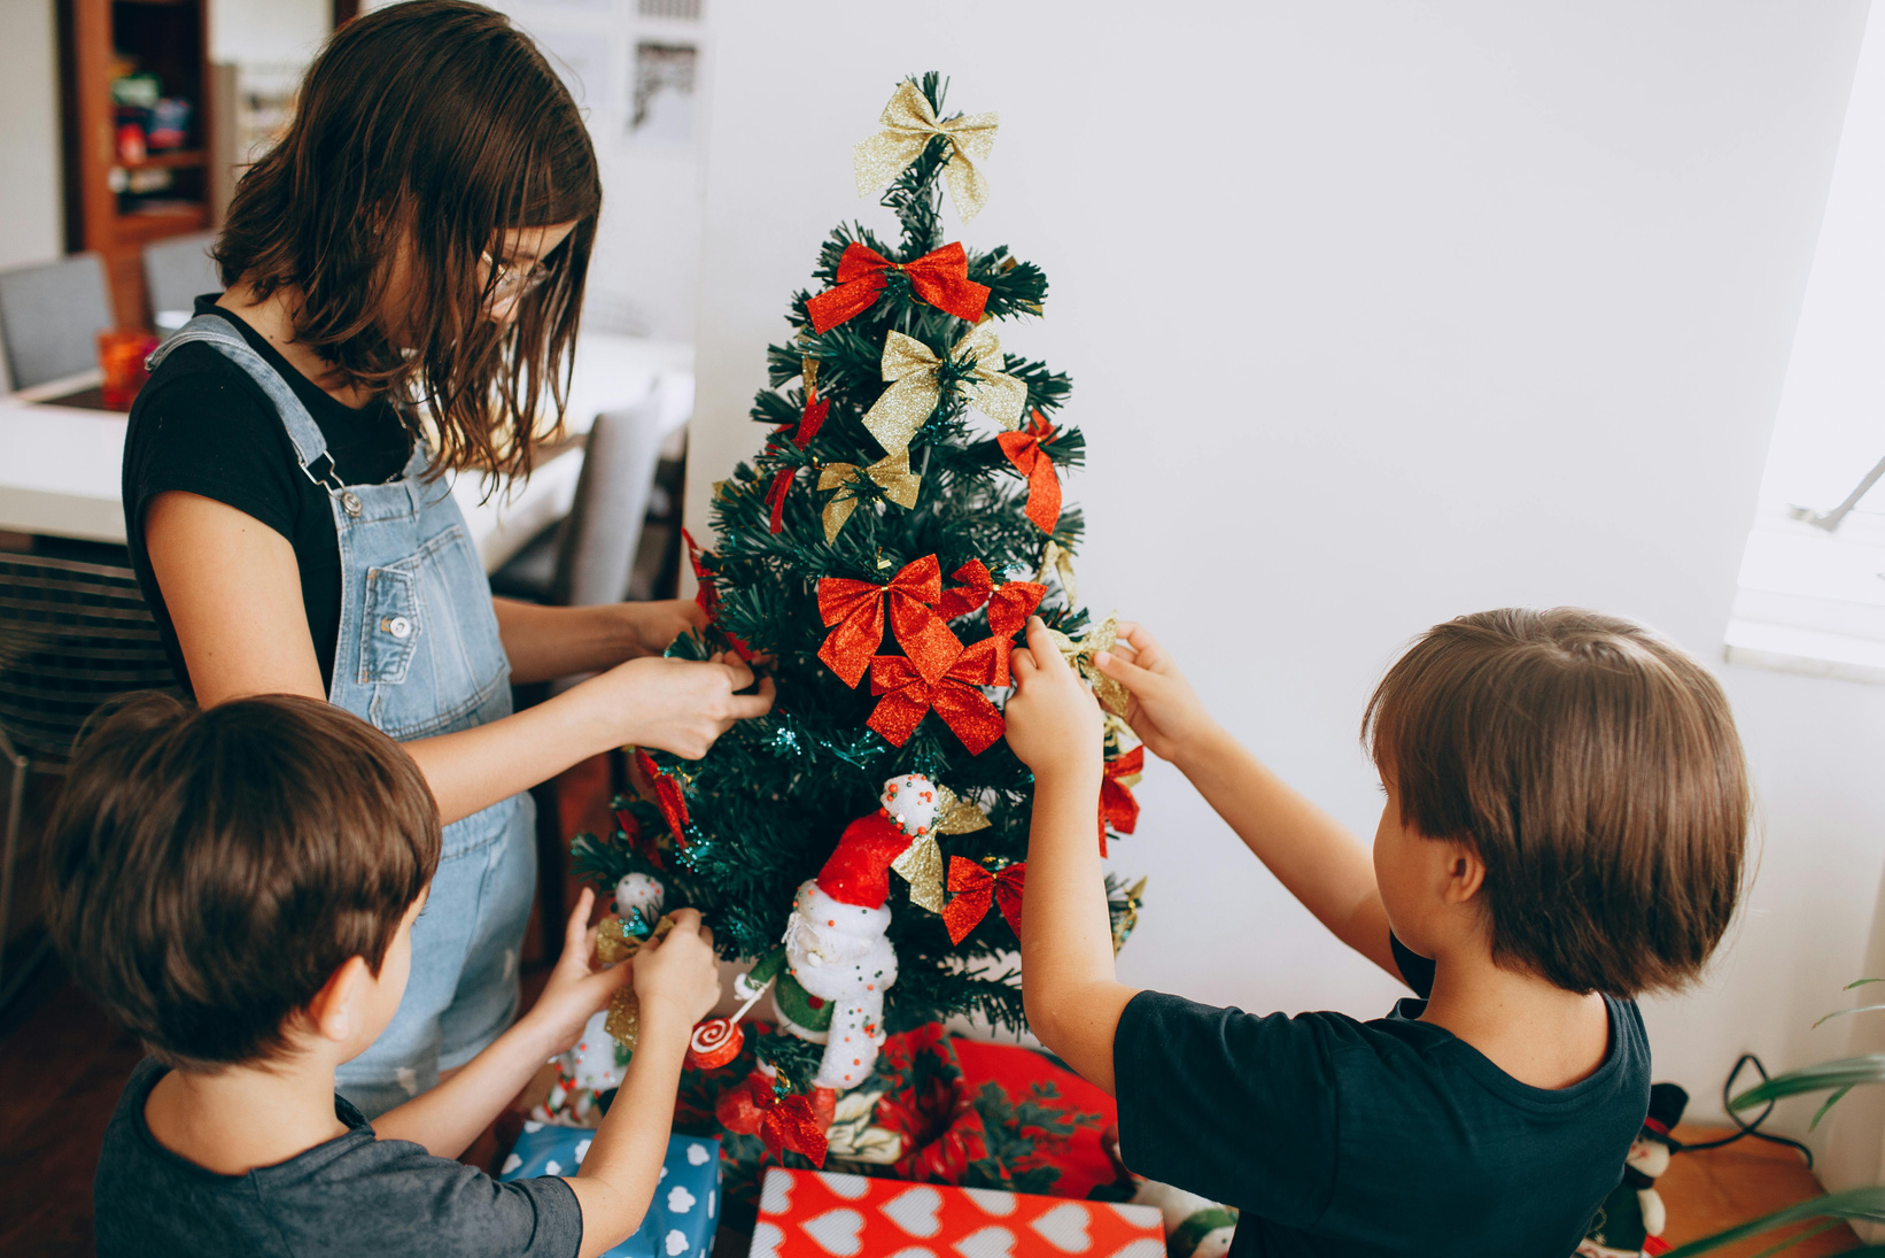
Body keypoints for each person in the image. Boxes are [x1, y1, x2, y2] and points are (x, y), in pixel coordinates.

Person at [119, 0, 771, 1116]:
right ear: (381, 203)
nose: (509, 307)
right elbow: (311, 804)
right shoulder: (213, 423)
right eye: (501, 266)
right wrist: (610, 713)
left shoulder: (363, 367)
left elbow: (427, 633)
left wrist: (631, 630)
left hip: (455, 950)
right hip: (331, 1001)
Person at [1005, 608, 1748, 1256]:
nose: (1381, 817)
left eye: (1391, 796)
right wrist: (1196, 742)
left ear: (1461, 870)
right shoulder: (1604, 1027)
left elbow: (1068, 1005)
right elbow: (1362, 897)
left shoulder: (1338, 1108)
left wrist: (1069, 770)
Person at [44, 692, 723, 1258]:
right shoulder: (426, 1224)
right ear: (338, 995)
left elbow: (360, 1174)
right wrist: (668, 1017)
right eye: (411, 924)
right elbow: (611, 1206)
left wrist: (545, 1028)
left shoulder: (162, 1090)